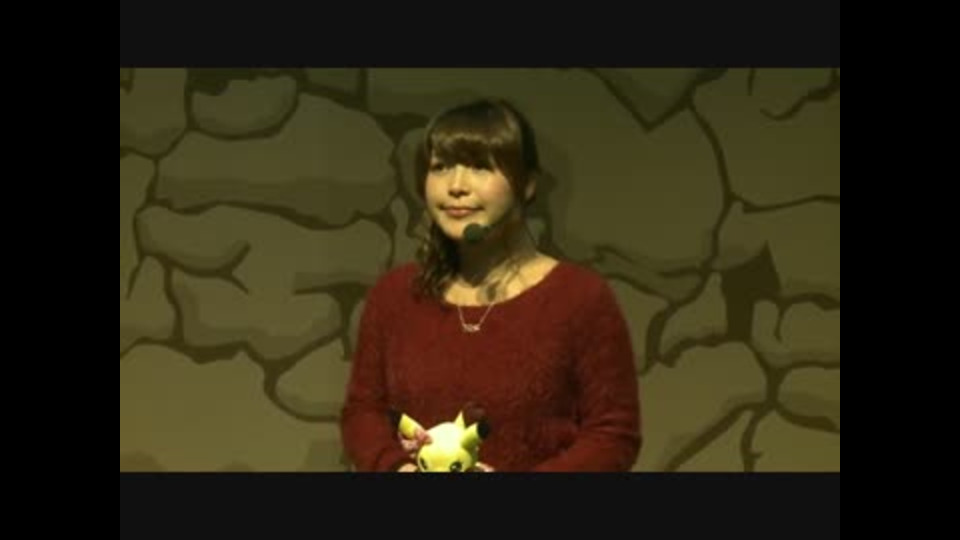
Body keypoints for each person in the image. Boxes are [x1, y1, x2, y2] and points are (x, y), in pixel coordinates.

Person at [339, 98, 641, 472]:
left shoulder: (580, 298)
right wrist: (396, 467)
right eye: (440, 167)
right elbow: (363, 412)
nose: (456, 186)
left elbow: (613, 435)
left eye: (480, 166)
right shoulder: (397, 296)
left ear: (527, 184)